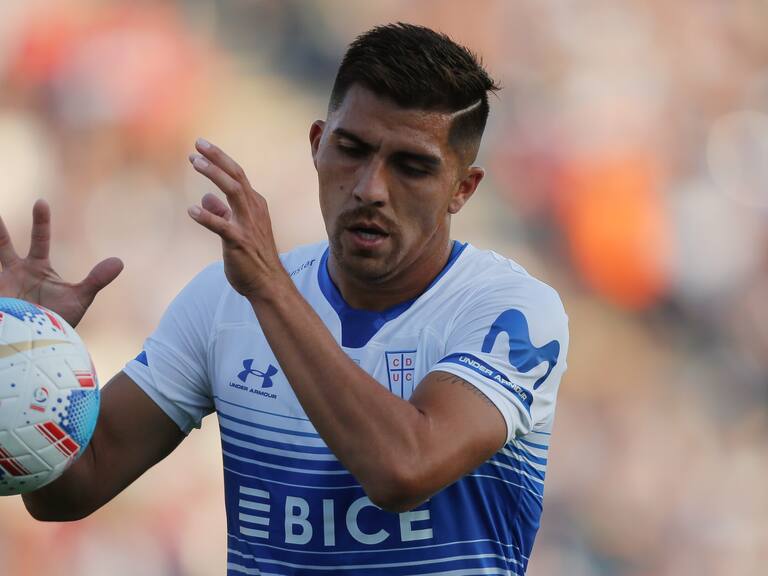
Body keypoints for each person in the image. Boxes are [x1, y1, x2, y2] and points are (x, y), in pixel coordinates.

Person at [1, 23, 568, 575]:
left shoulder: (514, 313)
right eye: (352, 150)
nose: (371, 188)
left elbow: (402, 469)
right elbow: (71, 490)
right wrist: (30, 363)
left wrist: (269, 289)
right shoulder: (226, 299)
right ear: (318, 144)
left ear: (461, 190)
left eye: (412, 167)